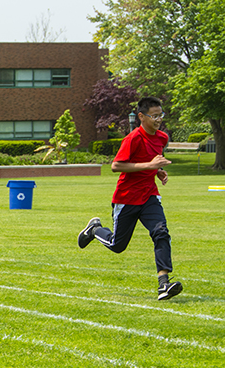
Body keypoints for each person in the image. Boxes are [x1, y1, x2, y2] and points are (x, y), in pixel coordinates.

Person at [78, 96, 182, 301]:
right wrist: (149, 166)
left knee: (161, 232)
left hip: (150, 196)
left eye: (161, 115)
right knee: (118, 245)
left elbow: (151, 161)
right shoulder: (133, 138)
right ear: (141, 116)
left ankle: (164, 284)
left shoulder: (162, 138)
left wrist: (158, 170)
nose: (158, 119)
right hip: (127, 198)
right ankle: (95, 230)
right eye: (154, 116)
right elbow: (116, 166)